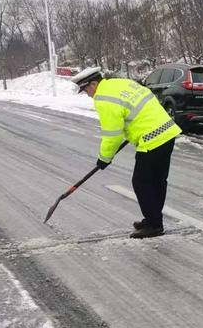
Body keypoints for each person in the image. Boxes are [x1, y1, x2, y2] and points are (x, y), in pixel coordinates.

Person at [71, 67, 181, 239]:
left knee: (141, 182)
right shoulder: (119, 83)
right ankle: (153, 218)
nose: (87, 94)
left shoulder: (103, 98)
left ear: (93, 84)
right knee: (157, 180)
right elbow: (141, 102)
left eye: (86, 90)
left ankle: (154, 224)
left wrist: (104, 158)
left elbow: (112, 135)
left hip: (152, 138)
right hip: (167, 131)